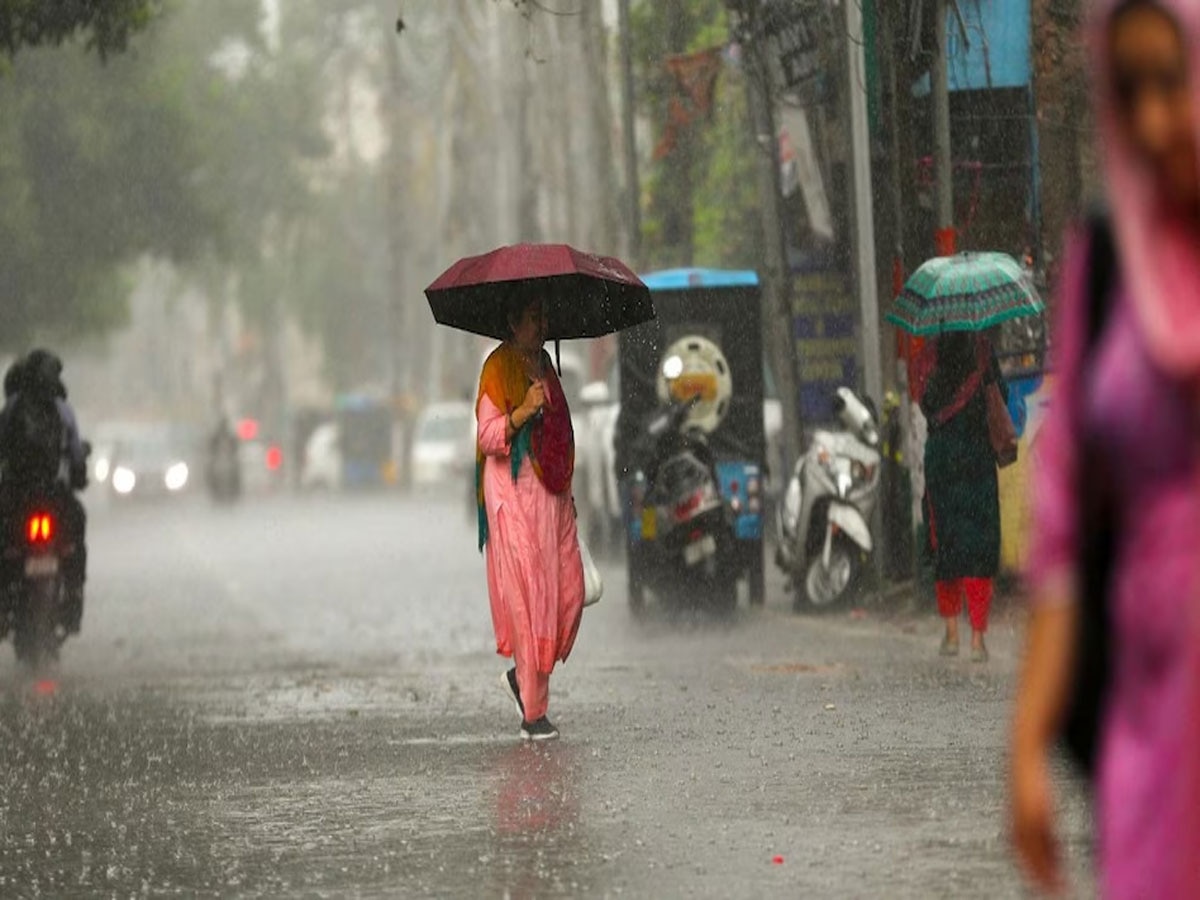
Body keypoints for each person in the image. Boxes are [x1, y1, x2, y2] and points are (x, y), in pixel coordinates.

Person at [1011, 1, 1200, 895]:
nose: (1159, 116)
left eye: (1175, 79)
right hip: (1148, 725)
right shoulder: (1107, 264)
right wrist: (1025, 752)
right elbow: (1062, 537)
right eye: (1132, 91)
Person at [475, 296, 584, 742]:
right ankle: (533, 714)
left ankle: (524, 679)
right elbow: (487, 436)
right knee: (531, 601)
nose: (541, 324)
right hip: (513, 497)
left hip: (552, 496)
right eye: (533, 316)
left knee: (568, 594)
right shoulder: (497, 369)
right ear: (512, 321)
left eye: (544, 316)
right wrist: (522, 410)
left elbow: (559, 437)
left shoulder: (546, 366)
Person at [919, 332, 1006, 663]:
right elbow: (1001, 394)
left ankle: (952, 634)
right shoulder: (983, 350)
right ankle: (978, 640)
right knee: (979, 545)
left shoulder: (931, 353)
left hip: (942, 461)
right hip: (977, 460)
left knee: (948, 545)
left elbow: (925, 402)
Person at [0, 350, 89, 631]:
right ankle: (73, 598)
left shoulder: (11, 408)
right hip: (53, 496)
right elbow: (76, 454)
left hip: (17, 496)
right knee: (76, 528)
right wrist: (79, 477)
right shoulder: (63, 409)